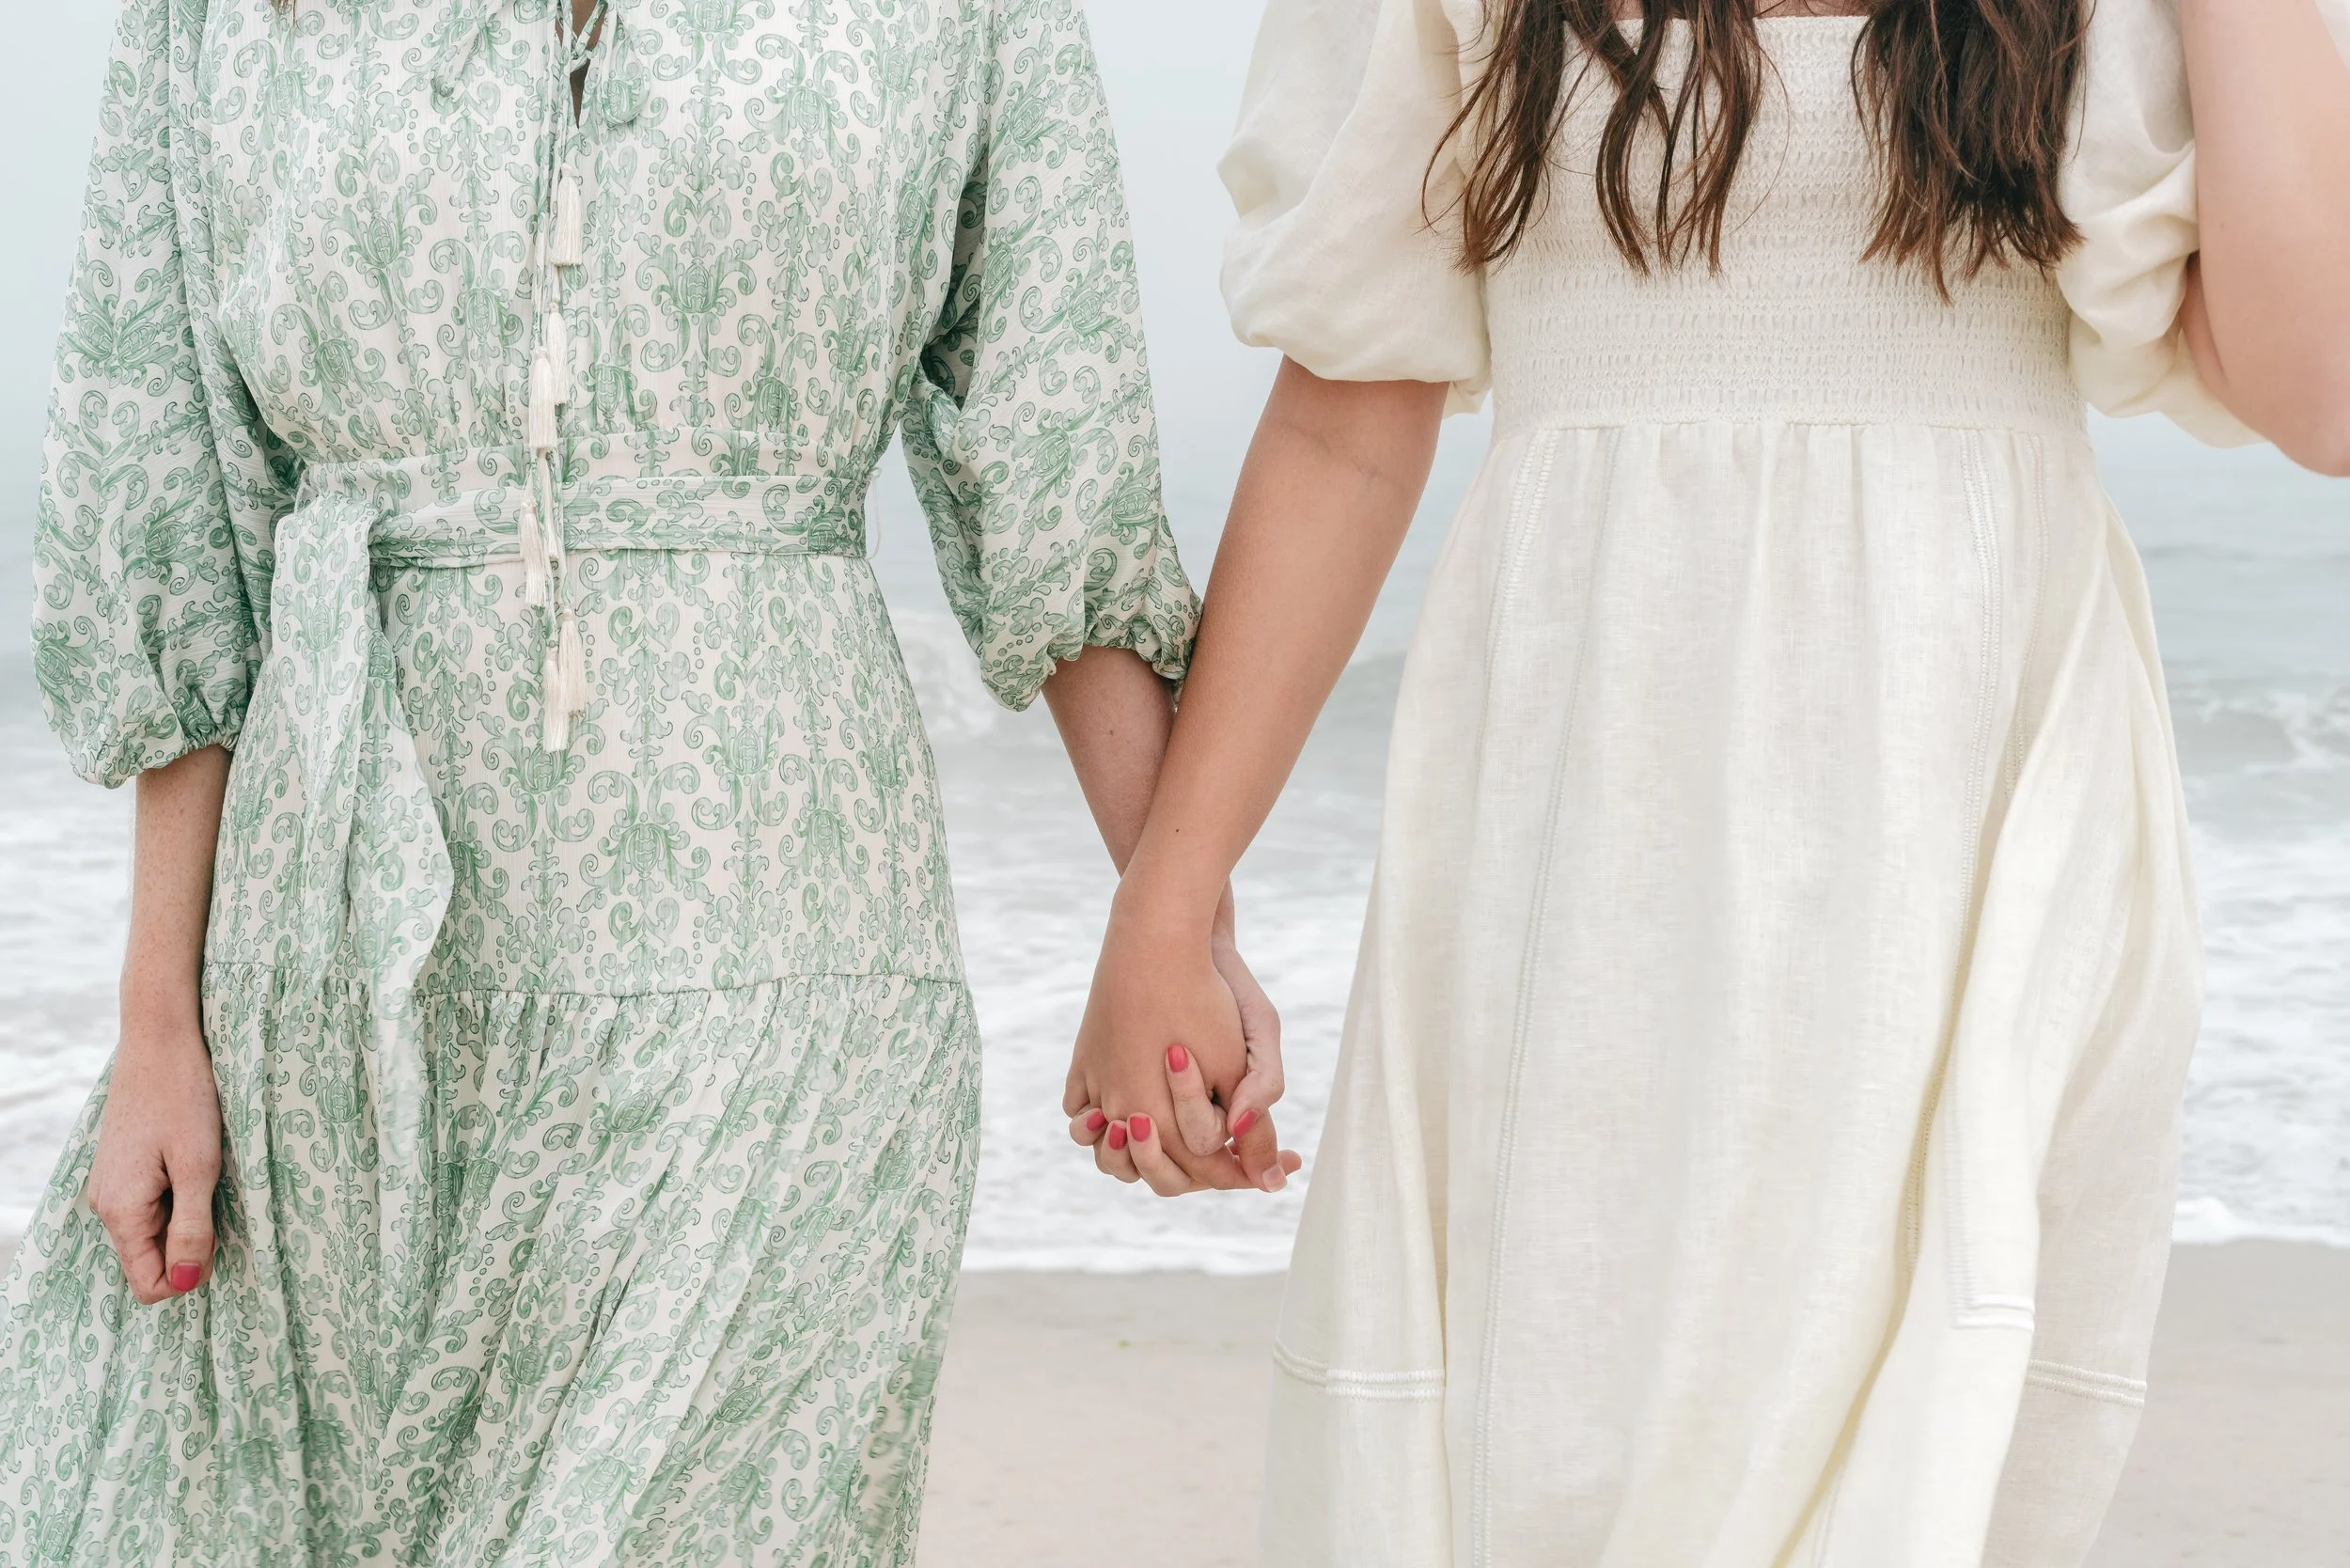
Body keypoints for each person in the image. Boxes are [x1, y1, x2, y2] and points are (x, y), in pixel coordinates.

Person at [0, 0, 1293, 1560]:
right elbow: (183, 526)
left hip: (788, 952)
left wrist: (1179, 931)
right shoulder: (217, 21)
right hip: (335, 1007)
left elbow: (1057, 484)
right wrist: (157, 1025)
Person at [1069, 0, 2350, 1562]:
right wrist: (1167, 905)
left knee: (1924, 1447)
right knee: (1567, 1426)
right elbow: (1346, 425)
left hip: (1973, 807)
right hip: (1597, 818)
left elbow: (2324, 383)